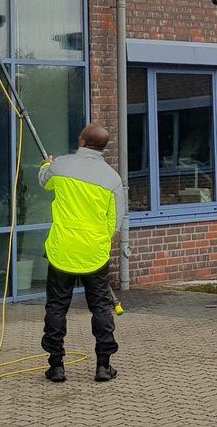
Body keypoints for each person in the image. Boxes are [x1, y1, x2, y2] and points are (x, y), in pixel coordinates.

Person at [37, 123, 127, 384]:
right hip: (94, 253)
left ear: (83, 143)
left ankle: (56, 366)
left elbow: (44, 182)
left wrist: (47, 164)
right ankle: (103, 366)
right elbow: (116, 221)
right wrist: (99, 239)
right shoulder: (112, 178)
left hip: (62, 250)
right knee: (100, 308)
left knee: (56, 307)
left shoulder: (61, 166)